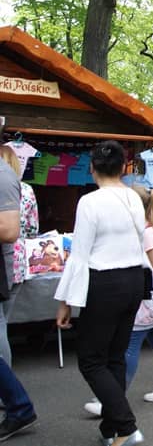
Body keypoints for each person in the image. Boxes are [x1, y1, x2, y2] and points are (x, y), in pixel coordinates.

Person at [54, 141, 148, 446]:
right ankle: (112, 430)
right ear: (123, 167)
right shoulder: (133, 198)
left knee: (91, 360)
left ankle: (126, 425)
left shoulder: (90, 202)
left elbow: (79, 255)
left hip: (104, 283)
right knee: (115, 357)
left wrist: (65, 301)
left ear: (92, 168)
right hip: (134, 279)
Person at [83, 186, 153, 416]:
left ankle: (113, 399)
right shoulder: (149, 229)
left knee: (130, 346)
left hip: (148, 297)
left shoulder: (147, 232)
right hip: (147, 294)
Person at [0, 159, 37, 442]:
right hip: (17, 260)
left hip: (8, 263)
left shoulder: (3, 176)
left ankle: (16, 404)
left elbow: (10, 230)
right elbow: (31, 228)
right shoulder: (16, 182)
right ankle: (16, 403)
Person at [0, 146, 38, 366]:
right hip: (19, 259)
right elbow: (33, 229)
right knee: (3, 320)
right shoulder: (27, 190)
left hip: (5, 257)